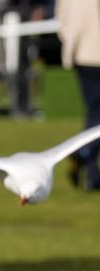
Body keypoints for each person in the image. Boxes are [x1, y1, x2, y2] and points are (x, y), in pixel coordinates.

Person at [57, 0, 100, 191]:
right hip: (93, 54)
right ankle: (83, 154)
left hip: (81, 55)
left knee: (93, 114)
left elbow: (63, 22)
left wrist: (70, 47)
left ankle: (91, 173)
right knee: (96, 115)